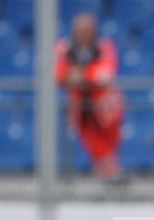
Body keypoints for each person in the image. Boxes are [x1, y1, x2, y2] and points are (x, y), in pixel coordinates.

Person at [55, 13, 124, 180]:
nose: (83, 34)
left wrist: (81, 75)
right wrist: (84, 76)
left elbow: (106, 73)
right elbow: (59, 74)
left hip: (106, 108)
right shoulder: (64, 48)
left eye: (87, 30)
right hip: (81, 108)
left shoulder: (104, 46)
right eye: (80, 30)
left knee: (108, 148)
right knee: (96, 149)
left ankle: (110, 177)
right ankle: (111, 177)